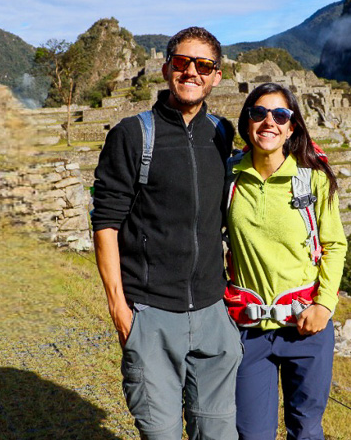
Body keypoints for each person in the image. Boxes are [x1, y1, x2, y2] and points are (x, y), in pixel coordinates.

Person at [91, 26, 242, 440]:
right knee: (160, 434)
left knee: (218, 434)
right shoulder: (133, 134)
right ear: (165, 69)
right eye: (182, 62)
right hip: (152, 313)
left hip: (213, 313)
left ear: (216, 76)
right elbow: (105, 222)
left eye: (203, 65)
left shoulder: (222, 134)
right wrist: (120, 310)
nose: (191, 72)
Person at [224, 82, 347, 440]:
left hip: (306, 326)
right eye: (259, 113)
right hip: (248, 328)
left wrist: (324, 306)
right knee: (251, 433)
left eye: (280, 115)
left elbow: (335, 245)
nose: (269, 123)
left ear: (291, 126)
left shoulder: (312, 179)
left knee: (306, 429)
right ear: (247, 122)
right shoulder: (230, 176)